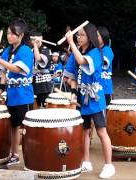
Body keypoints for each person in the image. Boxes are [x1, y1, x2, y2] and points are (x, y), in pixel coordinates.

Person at [64, 23, 115, 179]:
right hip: (81, 95)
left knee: (101, 131)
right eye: (77, 35)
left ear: (90, 37)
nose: (79, 37)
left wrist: (70, 41)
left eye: (81, 35)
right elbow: (71, 77)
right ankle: (86, 161)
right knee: (84, 130)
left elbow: (81, 62)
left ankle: (109, 165)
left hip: (95, 97)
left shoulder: (96, 53)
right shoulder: (76, 53)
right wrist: (73, 92)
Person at [0, 19, 34, 165]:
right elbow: (4, 72)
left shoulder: (26, 50)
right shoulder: (8, 50)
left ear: (21, 35)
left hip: (24, 95)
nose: (9, 36)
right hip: (12, 94)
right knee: (13, 125)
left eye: (13, 34)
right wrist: (1, 88)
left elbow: (17, 69)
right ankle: (14, 154)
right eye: (8, 33)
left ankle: (30, 156)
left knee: (25, 128)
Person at [31, 32, 52, 108]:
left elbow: (38, 59)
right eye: (33, 40)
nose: (35, 42)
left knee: (45, 104)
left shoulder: (46, 50)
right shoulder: (31, 50)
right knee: (35, 105)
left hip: (44, 82)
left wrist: (36, 46)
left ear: (41, 39)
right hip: (33, 80)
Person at [98, 26, 114, 106]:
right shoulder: (95, 49)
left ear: (103, 37)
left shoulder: (108, 50)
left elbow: (104, 62)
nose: (95, 38)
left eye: (98, 36)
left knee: (107, 111)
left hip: (105, 87)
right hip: (96, 86)